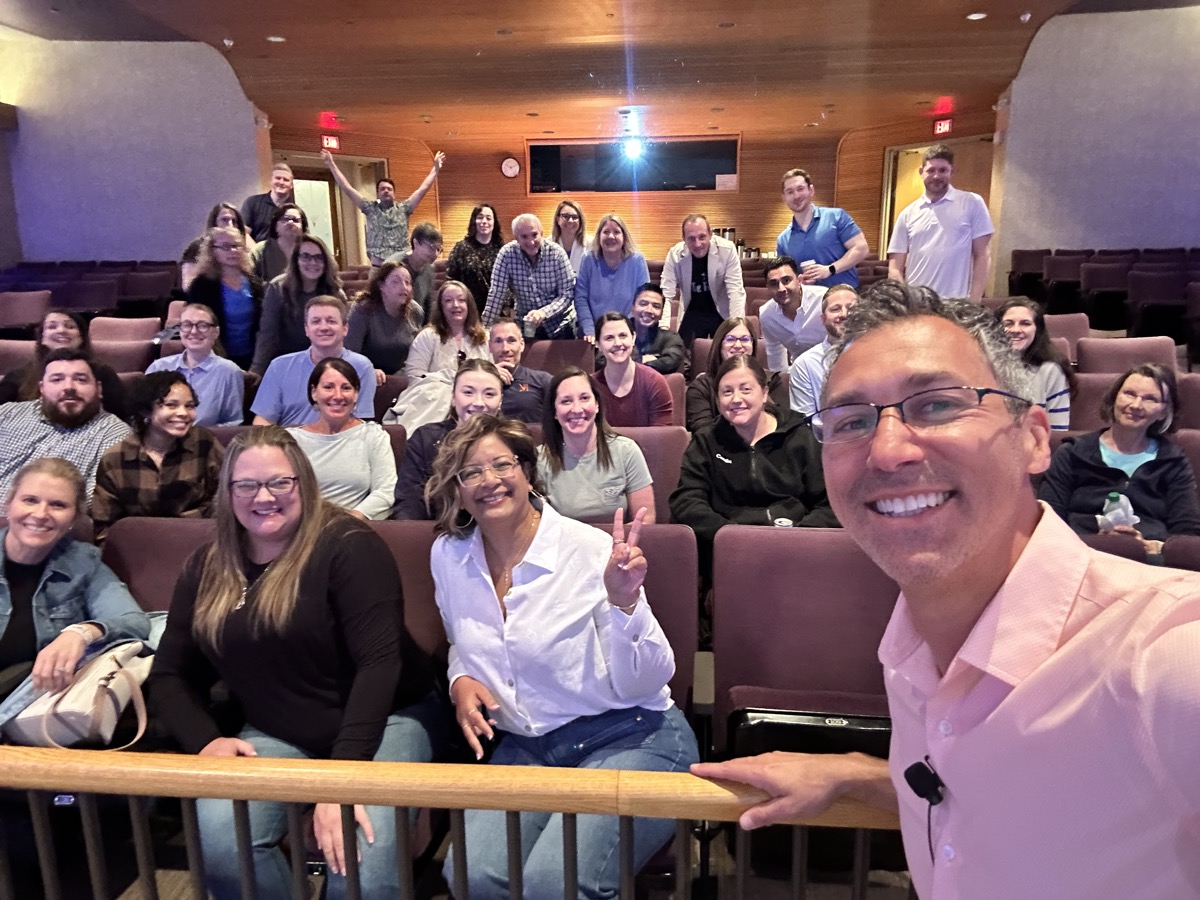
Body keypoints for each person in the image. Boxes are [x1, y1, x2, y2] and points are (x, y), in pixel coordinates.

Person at [692, 284, 1200, 898]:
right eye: (852, 421)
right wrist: (864, 776)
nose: (887, 450)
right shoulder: (908, 653)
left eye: (935, 406)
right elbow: (1005, 785)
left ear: (1035, 438)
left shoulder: (1166, 654)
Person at [148, 427, 441, 900]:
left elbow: (379, 665)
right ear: (227, 492)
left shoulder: (348, 544)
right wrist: (206, 743)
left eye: (279, 483)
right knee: (223, 842)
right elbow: (169, 675)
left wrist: (340, 780)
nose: (264, 497)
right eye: (247, 485)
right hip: (279, 728)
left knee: (361, 865)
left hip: (387, 716)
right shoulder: (207, 565)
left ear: (303, 482)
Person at [425, 414, 697, 899]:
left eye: (501, 465)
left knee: (557, 883)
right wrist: (460, 678)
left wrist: (625, 603)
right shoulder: (449, 554)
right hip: (528, 747)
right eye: (470, 472)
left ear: (527, 472)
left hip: (631, 734)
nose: (488, 481)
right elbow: (460, 639)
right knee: (474, 877)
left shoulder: (588, 549)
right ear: (458, 488)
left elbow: (648, 683)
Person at [671, 355, 837, 579]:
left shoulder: (801, 437)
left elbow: (830, 503)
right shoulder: (706, 441)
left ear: (765, 393)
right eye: (727, 392)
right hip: (729, 553)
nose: (736, 399)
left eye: (746, 389)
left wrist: (797, 537)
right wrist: (728, 535)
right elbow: (686, 501)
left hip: (797, 551)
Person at [0, 458, 149, 705]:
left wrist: (81, 633)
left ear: (73, 519)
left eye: (58, 505)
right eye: (30, 500)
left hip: (33, 706)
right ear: (9, 505)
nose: (40, 514)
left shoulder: (84, 563)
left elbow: (135, 622)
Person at [1039, 363, 1200, 552]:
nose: (1136, 405)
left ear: (1164, 412)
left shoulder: (1172, 461)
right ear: (1114, 397)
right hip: (1081, 554)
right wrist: (1099, 543)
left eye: (1150, 399)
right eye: (1129, 394)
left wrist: (1149, 546)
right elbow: (1049, 520)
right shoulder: (1072, 453)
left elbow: (1186, 533)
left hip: (1149, 563)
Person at [90, 371, 224, 543]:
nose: (183, 413)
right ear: (146, 411)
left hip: (199, 540)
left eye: (190, 406)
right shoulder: (116, 458)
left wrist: (188, 526)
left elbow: (226, 496)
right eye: (171, 405)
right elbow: (104, 523)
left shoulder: (204, 442)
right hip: (139, 546)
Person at [0, 350, 131, 504]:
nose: (69, 387)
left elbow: (88, 506)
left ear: (99, 389)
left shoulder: (116, 437)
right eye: (57, 379)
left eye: (81, 380)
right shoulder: (7, 414)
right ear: (42, 388)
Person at [537, 366, 656, 524]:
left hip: (618, 546)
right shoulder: (539, 459)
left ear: (597, 404)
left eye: (585, 398)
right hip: (565, 548)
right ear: (554, 412)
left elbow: (645, 519)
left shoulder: (626, 451)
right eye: (566, 401)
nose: (577, 409)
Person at [391, 359, 504, 520]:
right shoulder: (425, 438)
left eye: (489, 394)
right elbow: (409, 502)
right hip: (435, 533)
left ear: (500, 401)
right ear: (453, 398)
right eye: (468, 392)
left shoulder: (511, 441)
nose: (478, 403)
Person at [289, 358, 396, 521]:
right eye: (328, 387)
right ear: (314, 392)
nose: (337, 396)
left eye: (346, 388)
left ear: (356, 394)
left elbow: (386, 490)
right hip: (301, 527)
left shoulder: (373, 435)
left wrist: (348, 521)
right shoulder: (291, 440)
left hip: (352, 529)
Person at [887, 144, 994, 301]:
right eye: (931, 170)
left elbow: (983, 255)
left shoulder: (972, 202)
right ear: (921, 172)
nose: (936, 176)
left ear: (952, 171)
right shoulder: (907, 214)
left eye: (943, 170)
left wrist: (975, 300)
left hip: (957, 302)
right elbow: (895, 268)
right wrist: (907, 302)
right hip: (919, 304)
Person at [251, 296, 375, 427]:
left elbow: (359, 423)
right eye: (316, 322)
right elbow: (263, 421)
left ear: (345, 329)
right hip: (288, 442)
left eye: (331, 321)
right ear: (306, 330)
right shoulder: (279, 366)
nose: (323, 327)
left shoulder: (362, 367)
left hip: (339, 441)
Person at [322, 148, 446, 265]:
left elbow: (422, 189)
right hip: (378, 266)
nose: (386, 191)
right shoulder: (370, 208)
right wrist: (331, 164)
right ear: (377, 193)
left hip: (401, 264)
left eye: (389, 189)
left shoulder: (404, 208)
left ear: (394, 193)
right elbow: (347, 188)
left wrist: (435, 169)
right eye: (382, 189)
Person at [0, 310, 128, 420]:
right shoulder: (19, 375)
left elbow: (121, 414)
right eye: (52, 327)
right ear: (42, 338)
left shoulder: (103, 373)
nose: (61, 331)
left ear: (81, 337)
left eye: (70, 327)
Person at [251, 234, 346, 375]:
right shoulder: (278, 288)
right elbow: (268, 334)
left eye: (319, 257)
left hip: (324, 363)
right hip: (287, 364)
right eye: (306, 256)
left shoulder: (335, 292)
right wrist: (257, 369)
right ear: (296, 260)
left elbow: (342, 335)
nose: (313, 263)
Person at [146, 303, 245, 427]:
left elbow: (233, 423)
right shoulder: (158, 367)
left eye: (202, 325)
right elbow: (144, 414)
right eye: (187, 325)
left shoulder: (229, 372)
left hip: (205, 441)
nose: (193, 331)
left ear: (216, 332)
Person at [482, 213, 576, 339]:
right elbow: (496, 293)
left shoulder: (557, 253)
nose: (531, 242)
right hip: (526, 327)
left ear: (542, 233)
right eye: (524, 237)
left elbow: (567, 293)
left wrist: (544, 312)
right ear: (516, 238)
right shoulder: (506, 254)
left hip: (560, 325)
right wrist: (485, 329)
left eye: (534, 235)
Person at [686, 316, 788, 432]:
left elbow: (784, 423)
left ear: (753, 344)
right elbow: (702, 431)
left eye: (745, 339)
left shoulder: (772, 381)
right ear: (719, 345)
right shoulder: (701, 387)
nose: (738, 345)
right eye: (730, 339)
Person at [660, 214, 747, 347]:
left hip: (719, 310)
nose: (697, 244)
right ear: (683, 239)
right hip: (692, 310)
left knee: (724, 354)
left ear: (710, 234)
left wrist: (737, 326)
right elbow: (666, 293)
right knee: (685, 356)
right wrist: (663, 327)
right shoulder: (675, 254)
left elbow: (735, 291)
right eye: (691, 239)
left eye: (702, 237)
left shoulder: (727, 249)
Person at [775, 168, 869, 289]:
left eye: (800, 189)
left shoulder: (836, 216)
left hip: (844, 298)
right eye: (790, 192)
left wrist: (830, 269)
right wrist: (799, 281)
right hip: (808, 302)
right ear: (784, 198)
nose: (796, 195)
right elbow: (786, 275)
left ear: (811, 190)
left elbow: (861, 248)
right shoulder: (783, 239)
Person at [186, 226, 264, 370]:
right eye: (226, 247)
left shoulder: (253, 282)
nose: (233, 251)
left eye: (237, 246)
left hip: (251, 357)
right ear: (213, 251)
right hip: (215, 358)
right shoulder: (201, 286)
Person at [995, 298, 1073, 431]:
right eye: (1008, 323)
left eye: (1025, 323)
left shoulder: (1051, 371)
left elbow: (1057, 431)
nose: (1016, 329)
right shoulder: (984, 366)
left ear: (1037, 330)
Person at [346, 261, 424, 383]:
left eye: (407, 282)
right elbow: (349, 353)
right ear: (381, 285)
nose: (404, 287)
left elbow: (417, 353)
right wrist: (368, 370)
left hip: (404, 378)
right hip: (368, 378)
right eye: (396, 281)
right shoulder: (362, 309)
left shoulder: (415, 311)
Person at [573, 213, 650, 334]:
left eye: (616, 232)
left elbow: (644, 299)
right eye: (606, 232)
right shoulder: (588, 260)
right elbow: (581, 298)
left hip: (628, 331)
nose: (611, 236)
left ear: (624, 236)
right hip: (593, 332)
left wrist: (623, 331)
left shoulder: (637, 261)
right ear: (599, 236)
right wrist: (589, 329)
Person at [789, 284, 858, 416]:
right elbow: (805, 426)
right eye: (835, 309)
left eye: (851, 308)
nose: (844, 314)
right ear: (823, 319)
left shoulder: (879, 356)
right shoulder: (805, 365)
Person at [594, 312, 673, 427]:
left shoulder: (654, 382)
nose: (617, 343)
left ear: (633, 338)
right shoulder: (590, 386)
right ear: (598, 344)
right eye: (609, 338)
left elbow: (662, 437)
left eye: (623, 336)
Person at [405, 281, 490, 378]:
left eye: (461, 300)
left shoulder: (484, 338)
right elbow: (413, 374)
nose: (456, 305)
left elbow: (493, 373)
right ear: (441, 307)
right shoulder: (427, 336)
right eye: (448, 300)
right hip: (434, 391)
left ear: (469, 306)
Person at [759, 256, 828, 371]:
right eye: (774, 284)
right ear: (768, 287)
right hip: (799, 370)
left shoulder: (823, 299)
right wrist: (781, 382)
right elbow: (774, 352)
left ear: (799, 280)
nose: (781, 289)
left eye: (786, 280)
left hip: (831, 365)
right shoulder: (767, 315)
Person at [488, 318, 551, 424]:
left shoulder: (541, 380)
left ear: (522, 345)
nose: (505, 349)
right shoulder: (481, 383)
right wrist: (490, 377)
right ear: (490, 346)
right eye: (498, 341)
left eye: (511, 340)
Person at [447, 203, 504, 312]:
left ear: (494, 223)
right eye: (480, 217)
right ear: (474, 221)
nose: (484, 221)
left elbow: (509, 283)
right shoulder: (461, 248)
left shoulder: (502, 250)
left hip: (497, 309)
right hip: (468, 308)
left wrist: (506, 307)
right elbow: (451, 279)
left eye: (488, 218)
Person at [181, 203, 247, 291]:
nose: (230, 225)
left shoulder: (241, 247)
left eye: (234, 221)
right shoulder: (197, 246)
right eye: (225, 220)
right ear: (214, 222)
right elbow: (187, 284)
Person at [383, 222, 443, 319]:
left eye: (439, 249)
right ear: (416, 243)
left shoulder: (429, 268)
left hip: (416, 324)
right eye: (431, 247)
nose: (435, 254)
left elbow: (428, 306)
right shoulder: (394, 264)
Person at [630, 284, 686, 375]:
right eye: (643, 304)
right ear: (632, 308)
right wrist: (642, 360)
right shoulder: (617, 333)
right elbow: (602, 359)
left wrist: (632, 362)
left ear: (661, 314)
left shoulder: (670, 338)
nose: (649, 310)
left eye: (656, 306)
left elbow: (670, 361)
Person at [252, 203, 309, 284]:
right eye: (285, 219)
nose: (290, 222)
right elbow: (248, 277)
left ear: (303, 227)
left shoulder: (310, 249)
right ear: (275, 225)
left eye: (296, 220)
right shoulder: (260, 249)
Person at [240, 162, 295, 242]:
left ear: (291, 185)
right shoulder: (252, 203)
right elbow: (244, 234)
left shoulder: (295, 210)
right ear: (271, 181)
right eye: (278, 178)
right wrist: (257, 253)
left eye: (286, 180)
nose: (281, 182)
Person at [549, 199, 589, 275]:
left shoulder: (591, 243)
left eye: (575, 217)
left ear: (580, 221)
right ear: (557, 219)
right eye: (565, 216)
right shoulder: (548, 244)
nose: (570, 221)